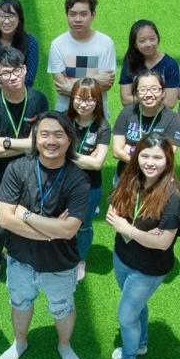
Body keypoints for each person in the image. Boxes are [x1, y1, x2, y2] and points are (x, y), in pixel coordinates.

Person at [0, 111, 89, 359]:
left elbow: (69, 230)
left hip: (59, 262)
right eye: (45, 134)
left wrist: (26, 215)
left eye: (58, 135)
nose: (51, 141)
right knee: (20, 303)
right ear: (35, 138)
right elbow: (5, 219)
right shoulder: (17, 168)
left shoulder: (77, 179)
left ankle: (64, 345)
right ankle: (20, 342)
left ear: (69, 140)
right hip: (20, 258)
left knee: (62, 307)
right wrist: (51, 231)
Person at [106, 133, 180, 359]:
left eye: (157, 158)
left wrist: (127, 229)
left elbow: (162, 242)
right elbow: (114, 208)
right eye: (145, 156)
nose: (150, 163)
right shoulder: (131, 178)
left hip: (149, 268)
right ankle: (141, 344)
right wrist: (138, 231)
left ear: (168, 160)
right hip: (122, 257)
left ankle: (129, 358)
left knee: (126, 316)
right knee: (135, 307)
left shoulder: (173, 196)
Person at [0, 46, 48, 291]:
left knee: (27, 218)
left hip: (30, 173)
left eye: (16, 70)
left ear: (25, 70)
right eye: (5, 73)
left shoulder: (38, 99)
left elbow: (42, 142)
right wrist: (26, 145)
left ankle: (19, 256)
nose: (12, 77)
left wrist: (6, 142)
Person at [66, 78, 110, 281]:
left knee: (83, 225)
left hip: (89, 186)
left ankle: (80, 259)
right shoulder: (63, 120)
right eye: (79, 98)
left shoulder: (102, 127)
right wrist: (86, 159)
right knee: (60, 219)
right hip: (63, 183)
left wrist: (67, 155)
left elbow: (97, 163)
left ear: (97, 102)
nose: (83, 104)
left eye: (89, 100)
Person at [48, 0, 115, 115]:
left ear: (93, 15)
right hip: (65, 112)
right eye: (72, 14)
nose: (77, 19)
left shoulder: (106, 43)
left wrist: (71, 84)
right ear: (66, 15)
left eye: (83, 14)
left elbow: (106, 84)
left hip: (97, 113)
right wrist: (95, 80)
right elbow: (61, 86)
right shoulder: (57, 44)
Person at [112, 70, 180, 182]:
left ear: (163, 92)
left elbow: (168, 155)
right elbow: (116, 151)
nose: (148, 94)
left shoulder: (172, 118)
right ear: (136, 93)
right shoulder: (127, 113)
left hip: (156, 179)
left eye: (154, 89)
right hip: (126, 177)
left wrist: (130, 151)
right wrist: (150, 160)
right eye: (143, 90)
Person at [119, 20, 180, 109]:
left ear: (158, 38)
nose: (148, 44)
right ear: (135, 44)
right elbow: (125, 100)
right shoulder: (130, 62)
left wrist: (142, 98)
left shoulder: (170, 65)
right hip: (136, 114)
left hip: (161, 115)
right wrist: (154, 98)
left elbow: (170, 102)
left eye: (152, 39)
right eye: (142, 41)